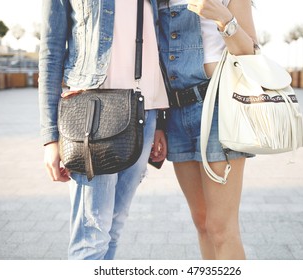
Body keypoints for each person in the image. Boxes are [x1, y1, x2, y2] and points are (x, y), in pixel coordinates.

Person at [38, 0, 169, 260]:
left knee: (113, 229)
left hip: (146, 113)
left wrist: (161, 123)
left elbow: (159, 46)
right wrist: (50, 137)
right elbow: (51, 52)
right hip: (94, 114)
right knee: (91, 237)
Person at [157, 0, 258, 259]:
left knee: (221, 227)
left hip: (218, 108)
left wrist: (224, 17)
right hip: (176, 112)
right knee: (201, 221)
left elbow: (250, 52)